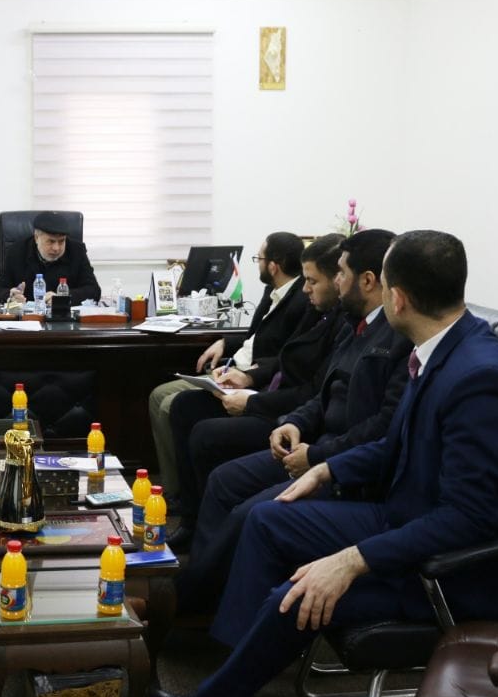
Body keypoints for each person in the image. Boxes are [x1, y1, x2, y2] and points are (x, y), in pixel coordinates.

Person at [123, 230, 498, 697]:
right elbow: (394, 444)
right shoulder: (444, 348)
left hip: (461, 567)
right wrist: (325, 472)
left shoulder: (482, 377)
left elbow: (468, 519)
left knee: (299, 593)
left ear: (397, 297)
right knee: (269, 518)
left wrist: (351, 560)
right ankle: (233, 689)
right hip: (408, 517)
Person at [171, 229, 410, 628]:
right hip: (313, 443)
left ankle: (194, 607)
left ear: (368, 281)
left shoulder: (399, 338)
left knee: (252, 514)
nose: (334, 281)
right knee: (224, 480)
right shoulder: (355, 325)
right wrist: (295, 423)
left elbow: (382, 428)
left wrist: (316, 456)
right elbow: (322, 392)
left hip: (341, 465)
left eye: (341, 273)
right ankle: (204, 591)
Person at [165, 233, 346, 550]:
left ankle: (206, 533)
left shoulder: (338, 321)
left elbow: (313, 392)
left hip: (287, 412)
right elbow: (279, 353)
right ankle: (190, 515)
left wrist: (253, 402)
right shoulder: (318, 308)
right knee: (185, 405)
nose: (306, 289)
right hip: (274, 394)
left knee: (206, 435)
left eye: (313, 281)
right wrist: (248, 379)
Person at [146, 232, 309, 490]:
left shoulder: (302, 300)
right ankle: (172, 486)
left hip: (250, 379)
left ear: (273, 266)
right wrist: (225, 342)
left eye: (259, 258)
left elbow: (287, 356)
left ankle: (179, 492)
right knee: (158, 396)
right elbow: (255, 335)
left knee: (170, 404)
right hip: (233, 367)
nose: (257, 264)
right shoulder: (272, 290)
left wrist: (251, 374)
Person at [0, 210, 101, 304]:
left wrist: (63, 297)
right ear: (37, 238)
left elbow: (94, 291)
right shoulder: (16, 252)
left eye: (61, 241)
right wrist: (10, 295)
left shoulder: (77, 251)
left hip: (63, 319)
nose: (56, 248)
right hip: (28, 320)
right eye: (51, 241)